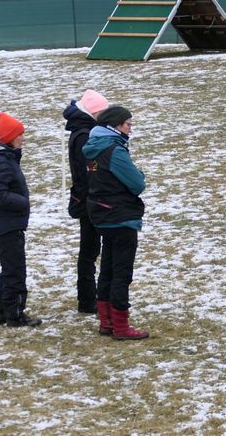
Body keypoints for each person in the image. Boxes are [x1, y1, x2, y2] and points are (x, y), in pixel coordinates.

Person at [83, 106, 149, 340]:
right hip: (121, 217)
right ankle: (121, 326)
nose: (130, 129)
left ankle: (106, 321)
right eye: (128, 124)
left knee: (108, 270)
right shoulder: (115, 151)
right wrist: (140, 175)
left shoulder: (93, 149)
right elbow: (136, 183)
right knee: (122, 273)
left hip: (101, 215)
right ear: (115, 126)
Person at [0, 112, 42, 327]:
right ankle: (15, 314)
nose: (23, 139)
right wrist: (22, 202)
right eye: (20, 134)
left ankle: (0, 311)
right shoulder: (2, 163)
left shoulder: (3, 159)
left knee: (9, 268)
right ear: (10, 137)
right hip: (7, 225)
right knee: (16, 271)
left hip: (2, 224)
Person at [63, 89, 109, 314]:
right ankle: (87, 299)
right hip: (88, 198)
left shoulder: (82, 130)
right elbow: (87, 168)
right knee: (89, 250)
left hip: (86, 196)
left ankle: (89, 296)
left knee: (90, 248)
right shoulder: (84, 134)